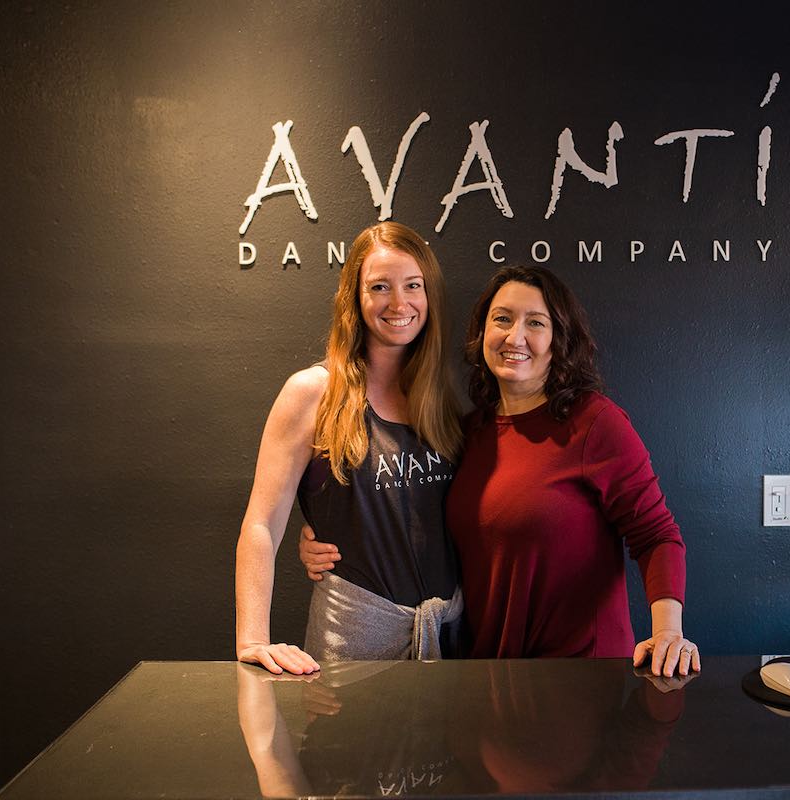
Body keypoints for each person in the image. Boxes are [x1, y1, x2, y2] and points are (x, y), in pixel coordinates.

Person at [302, 266, 699, 677]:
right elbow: (416, 515)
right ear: (483, 333)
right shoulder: (468, 432)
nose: (515, 337)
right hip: (487, 673)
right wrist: (327, 535)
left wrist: (668, 631)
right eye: (502, 319)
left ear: (559, 340)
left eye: (536, 323)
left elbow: (656, 535)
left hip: (580, 678)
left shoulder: (595, 424)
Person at [235, 221, 463, 675]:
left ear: (429, 295)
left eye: (412, 286)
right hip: (354, 642)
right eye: (380, 286)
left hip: (449, 639)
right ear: (354, 299)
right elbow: (261, 522)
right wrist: (252, 639)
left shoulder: (443, 399)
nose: (399, 303)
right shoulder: (312, 393)